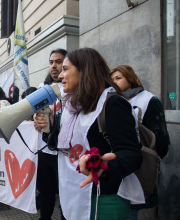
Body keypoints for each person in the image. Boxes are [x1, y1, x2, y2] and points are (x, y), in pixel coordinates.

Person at [35, 48, 143, 220]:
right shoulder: (71, 106)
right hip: (71, 194)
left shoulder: (112, 103)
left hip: (103, 198)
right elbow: (63, 147)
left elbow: (132, 154)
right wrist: (50, 128)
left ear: (84, 70)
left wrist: (102, 167)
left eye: (65, 69)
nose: (61, 76)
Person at [111, 65, 170, 219]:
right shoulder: (111, 99)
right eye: (111, 79)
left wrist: (148, 158)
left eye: (118, 78)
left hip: (139, 166)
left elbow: (161, 140)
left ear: (130, 78)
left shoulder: (148, 100)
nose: (114, 82)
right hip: (117, 166)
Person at [34, 48, 67, 220]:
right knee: (46, 191)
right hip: (44, 150)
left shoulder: (71, 87)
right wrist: (35, 116)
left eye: (59, 61)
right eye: (51, 62)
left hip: (63, 152)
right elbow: (34, 111)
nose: (54, 66)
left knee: (64, 194)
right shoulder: (42, 88)